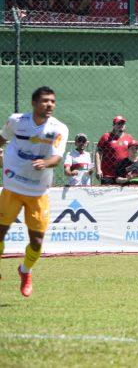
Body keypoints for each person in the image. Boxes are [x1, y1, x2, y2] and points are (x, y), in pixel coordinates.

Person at [0, 86, 70, 297]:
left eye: (52, 101)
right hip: (12, 186)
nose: (49, 104)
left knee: (37, 241)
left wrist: (46, 162)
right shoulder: (17, 121)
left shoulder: (59, 128)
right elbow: (2, 139)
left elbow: (57, 158)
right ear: (34, 103)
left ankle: (25, 271)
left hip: (38, 191)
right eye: (45, 101)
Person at [96, 115, 135, 185]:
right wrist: (98, 169)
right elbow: (98, 153)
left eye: (123, 123)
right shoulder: (106, 136)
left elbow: (133, 154)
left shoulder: (129, 137)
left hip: (123, 175)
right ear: (114, 125)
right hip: (108, 174)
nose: (121, 125)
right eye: (119, 123)